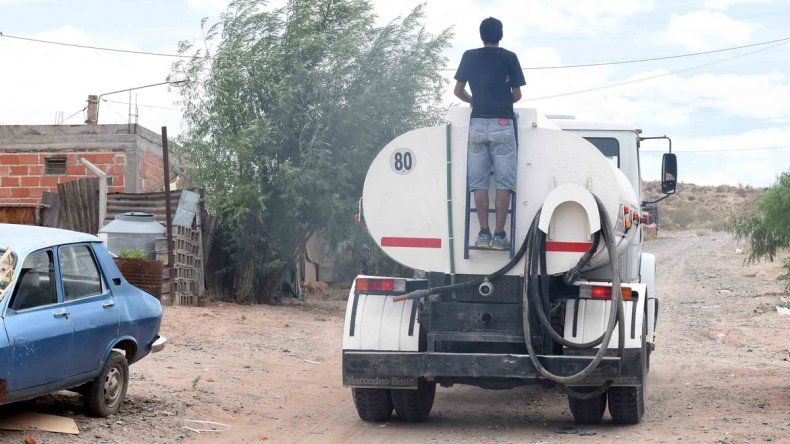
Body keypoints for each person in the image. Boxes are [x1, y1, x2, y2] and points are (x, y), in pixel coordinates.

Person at [454, 17, 525, 251]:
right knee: (504, 183)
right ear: (501, 35)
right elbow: (517, 95)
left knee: (479, 183)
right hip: (503, 123)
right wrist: (502, 101)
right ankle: (499, 235)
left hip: (477, 124)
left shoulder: (469, 56)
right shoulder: (510, 57)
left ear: (481, 35)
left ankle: (483, 234)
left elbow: (458, 90)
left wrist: (473, 100)